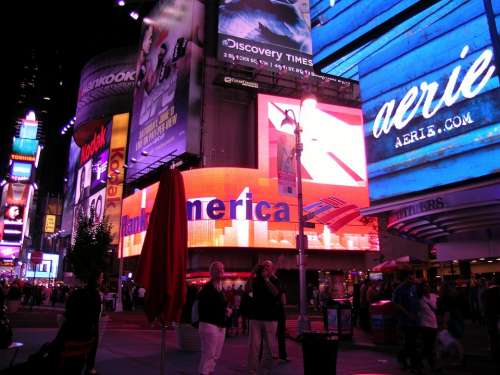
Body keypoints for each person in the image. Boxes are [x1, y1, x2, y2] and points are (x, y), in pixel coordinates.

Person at [197, 261, 231, 375]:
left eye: (222, 269)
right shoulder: (207, 288)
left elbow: (222, 305)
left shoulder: (220, 288)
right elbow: (205, 307)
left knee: (215, 355)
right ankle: (204, 373)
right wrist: (224, 311)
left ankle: (209, 372)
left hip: (220, 324)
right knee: (209, 354)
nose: (221, 271)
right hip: (209, 324)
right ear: (211, 272)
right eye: (218, 269)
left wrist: (227, 310)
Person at [247, 262, 281, 375]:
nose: (265, 267)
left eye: (268, 266)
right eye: (264, 265)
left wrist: (266, 279)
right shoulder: (256, 280)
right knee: (254, 346)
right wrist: (252, 273)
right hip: (256, 317)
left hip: (270, 318)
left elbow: (276, 292)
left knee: (269, 347)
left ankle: (265, 370)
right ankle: (253, 371)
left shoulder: (275, 280)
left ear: (272, 269)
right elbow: (248, 290)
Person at [392, 271, 421, 371]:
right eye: (410, 278)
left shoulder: (413, 287)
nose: (412, 280)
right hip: (405, 321)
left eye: (413, 278)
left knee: (411, 343)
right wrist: (407, 314)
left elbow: (416, 301)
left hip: (415, 320)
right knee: (411, 342)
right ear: (405, 278)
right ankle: (414, 365)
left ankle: (402, 357)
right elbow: (397, 304)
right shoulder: (400, 289)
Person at [417, 281, 438, 371]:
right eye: (424, 287)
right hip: (425, 324)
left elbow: (439, 308)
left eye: (427, 286)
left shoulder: (434, 296)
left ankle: (421, 363)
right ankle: (428, 364)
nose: (426, 288)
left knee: (430, 346)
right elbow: (417, 312)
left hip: (434, 324)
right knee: (427, 346)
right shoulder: (419, 299)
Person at [481, 274, 500, 363]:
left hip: (491, 318)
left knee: (493, 337)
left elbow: (485, 307)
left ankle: (494, 355)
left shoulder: (486, 293)